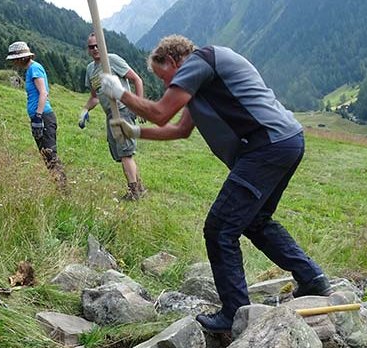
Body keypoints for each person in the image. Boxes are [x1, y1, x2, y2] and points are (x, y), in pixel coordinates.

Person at [99, 35, 332, 332]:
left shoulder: (199, 62)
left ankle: (235, 314)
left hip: (265, 146)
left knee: (220, 228)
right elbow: (180, 130)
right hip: (284, 141)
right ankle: (312, 278)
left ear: (174, 61)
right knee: (255, 220)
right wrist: (135, 132)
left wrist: (121, 93)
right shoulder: (206, 75)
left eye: (163, 76)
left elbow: (160, 113)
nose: (165, 84)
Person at [79, 33, 147, 201]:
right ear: (87, 49)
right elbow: (95, 97)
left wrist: (139, 106)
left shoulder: (112, 60)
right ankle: (139, 187)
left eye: (97, 45)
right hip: (110, 114)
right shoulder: (90, 69)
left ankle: (134, 192)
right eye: (91, 47)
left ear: (103, 45)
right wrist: (84, 110)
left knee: (125, 152)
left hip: (122, 110)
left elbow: (137, 80)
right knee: (121, 153)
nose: (95, 49)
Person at [6, 41, 67, 189]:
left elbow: (43, 93)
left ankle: (63, 190)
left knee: (50, 154)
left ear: (22, 58)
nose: (13, 63)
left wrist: (38, 117)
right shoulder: (30, 70)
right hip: (39, 117)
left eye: (14, 59)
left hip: (43, 117)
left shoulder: (34, 69)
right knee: (46, 154)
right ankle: (60, 187)